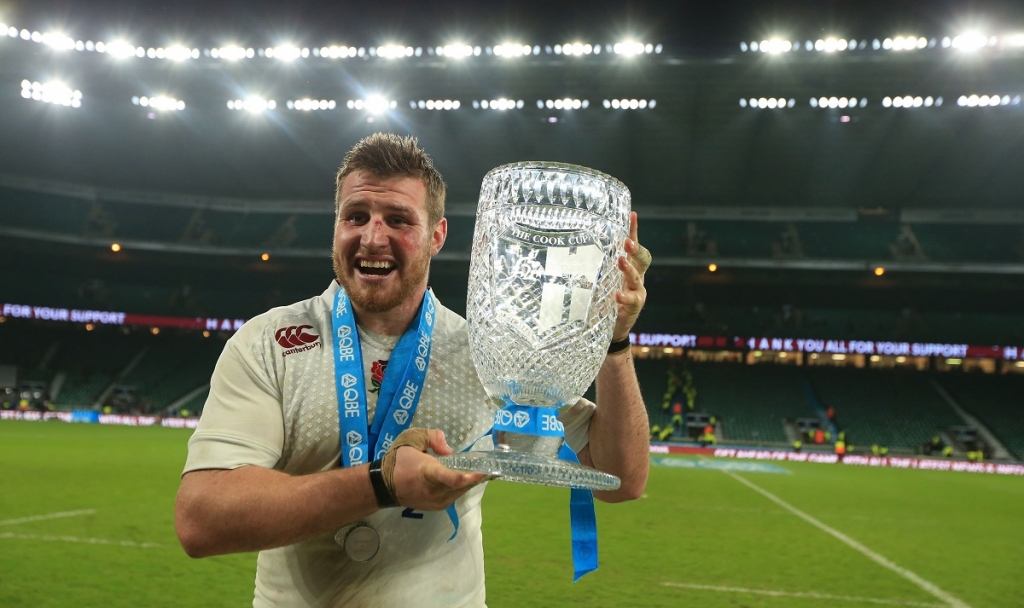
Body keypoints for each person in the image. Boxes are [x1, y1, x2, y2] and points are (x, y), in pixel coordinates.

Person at [173, 133, 652, 607]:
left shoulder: (488, 352)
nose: (372, 237)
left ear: (437, 236)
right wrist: (382, 483)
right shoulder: (270, 341)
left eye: (398, 220)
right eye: (355, 216)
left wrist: (616, 340)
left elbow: (620, 477)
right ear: (336, 225)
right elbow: (202, 520)